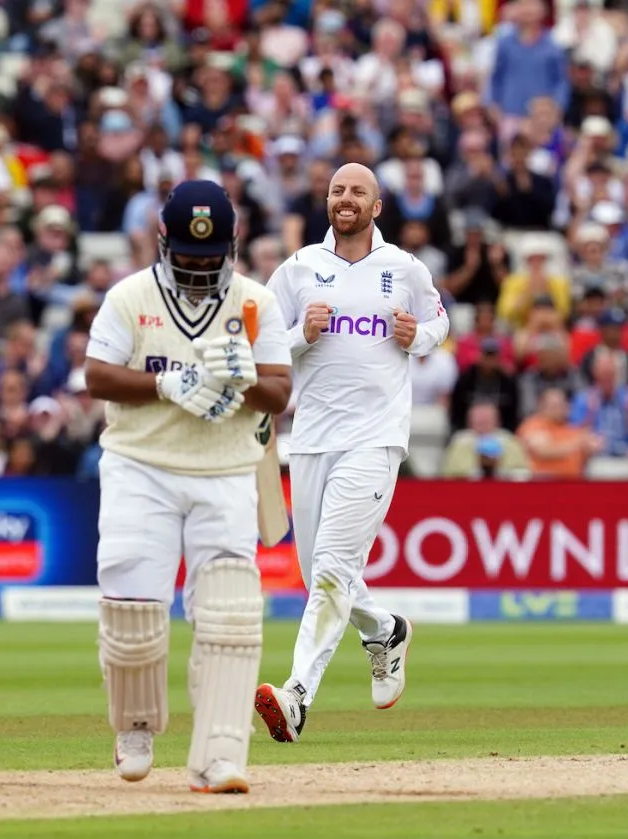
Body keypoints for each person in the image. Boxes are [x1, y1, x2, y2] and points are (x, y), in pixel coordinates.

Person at [84, 180, 293, 793]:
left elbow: (279, 393)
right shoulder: (130, 297)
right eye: (187, 260)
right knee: (132, 609)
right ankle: (136, 725)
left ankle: (220, 755)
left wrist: (244, 378)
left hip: (226, 471)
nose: (200, 272)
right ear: (161, 244)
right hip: (139, 467)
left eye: (211, 260)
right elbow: (96, 375)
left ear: (232, 245)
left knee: (230, 614)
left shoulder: (256, 302)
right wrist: (166, 384)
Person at [257, 163, 450, 743]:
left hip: (375, 437)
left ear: (377, 205)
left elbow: (440, 322)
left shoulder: (404, 268)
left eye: (357, 192)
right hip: (313, 438)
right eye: (338, 190)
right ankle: (385, 629)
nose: (346, 199)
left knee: (334, 570)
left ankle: (296, 696)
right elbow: (259, 347)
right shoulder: (297, 271)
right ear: (327, 201)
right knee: (320, 572)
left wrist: (418, 336)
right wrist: (299, 336)